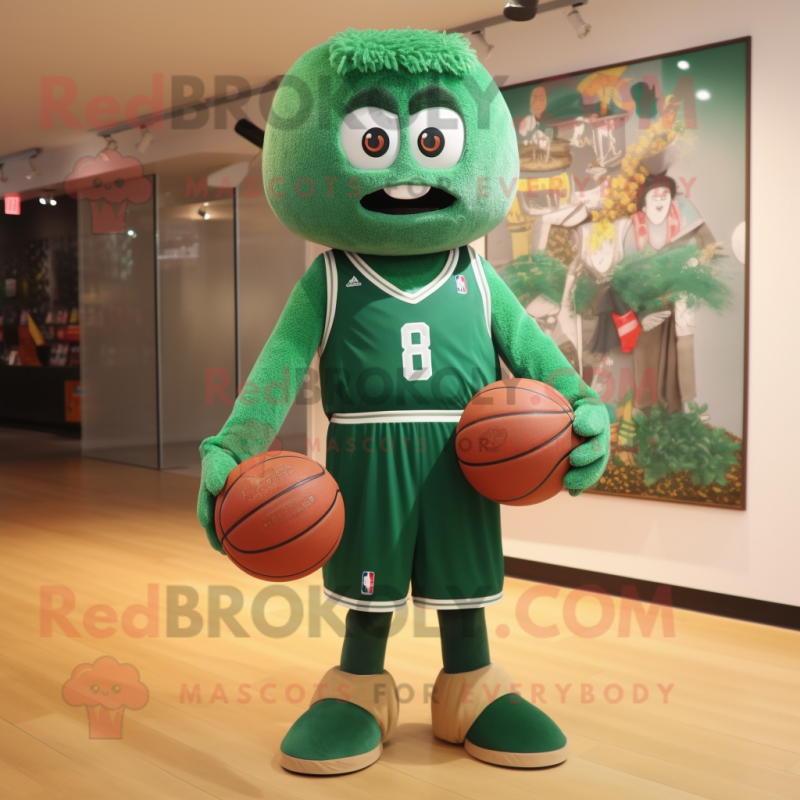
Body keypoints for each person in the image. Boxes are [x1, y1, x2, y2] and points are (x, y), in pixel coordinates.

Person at [197, 28, 609, 775]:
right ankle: (358, 691)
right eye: (376, 141)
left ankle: (473, 689)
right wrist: (234, 445)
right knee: (370, 589)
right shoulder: (329, 277)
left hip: (468, 456)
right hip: (364, 457)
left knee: (463, 588)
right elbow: (278, 370)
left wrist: (582, 404)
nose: (410, 170)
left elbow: (538, 355)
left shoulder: (477, 274)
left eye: (432, 140)